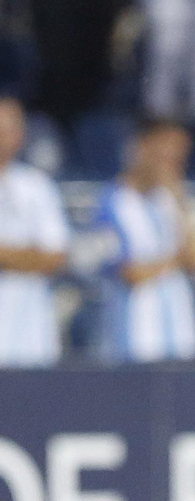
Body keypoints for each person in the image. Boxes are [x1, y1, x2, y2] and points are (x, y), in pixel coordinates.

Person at [94, 117, 195, 363]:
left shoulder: (170, 201)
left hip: (180, 334)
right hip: (134, 336)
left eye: (178, 159)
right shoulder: (113, 202)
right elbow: (130, 272)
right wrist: (176, 260)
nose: (171, 166)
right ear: (142, 149)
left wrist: (181, 203)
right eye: (165, 156)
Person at [0, 94, 70, 367]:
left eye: (8, 129)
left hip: (28, 335)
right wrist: (27, 256)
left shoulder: (37, 186)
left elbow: (55, 256)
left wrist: (6, 255)